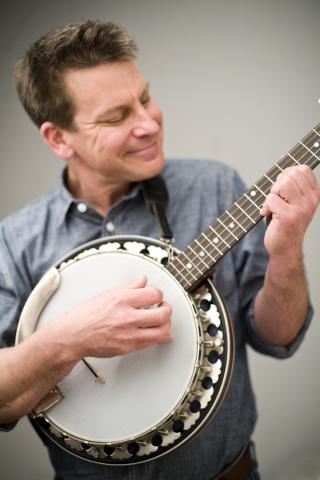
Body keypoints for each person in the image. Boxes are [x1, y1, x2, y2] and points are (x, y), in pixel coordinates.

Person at [0, 19, 319, 480]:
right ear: (58, 138)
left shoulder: (215, 186)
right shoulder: (15, 240)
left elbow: (278, 337)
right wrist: (68, 338)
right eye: (116, 117)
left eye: (144, 99)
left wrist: (287, 249)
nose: (148, 124)